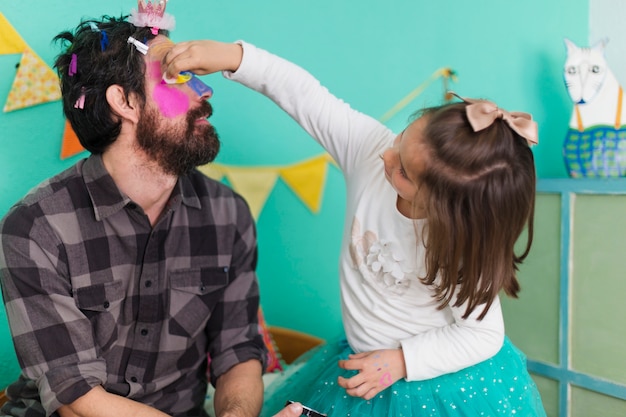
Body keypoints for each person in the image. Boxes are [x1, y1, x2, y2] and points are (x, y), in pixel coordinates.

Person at [161, 40, 547, 416]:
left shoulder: (459, 246)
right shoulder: (370, 152)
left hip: (435, 385)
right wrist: (235, 57)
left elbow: (481, 335)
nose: (386, 155)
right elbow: (305, 96)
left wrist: (402, 362)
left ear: (445, 208)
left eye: (403, 171)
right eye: (400, 139)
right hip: (360, 366)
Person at [0, 15, 303, 417]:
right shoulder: (35, 227)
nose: (205, 90)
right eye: (178, 78)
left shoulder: (228, 214)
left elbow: (238, 351)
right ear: (123, 102)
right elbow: (78, 402)